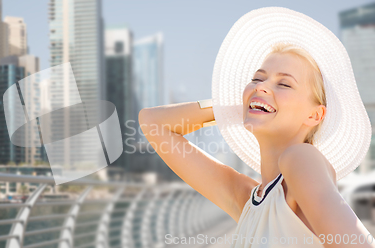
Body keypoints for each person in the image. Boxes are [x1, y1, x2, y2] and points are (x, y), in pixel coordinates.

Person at [138, 7, 374, 248]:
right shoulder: (250, 201)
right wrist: (244, 104)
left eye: (284, 83)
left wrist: (257, 100)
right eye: (258, 79)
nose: (262, 86)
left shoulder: (301, 158)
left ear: (315, 115)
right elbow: (153, 123)